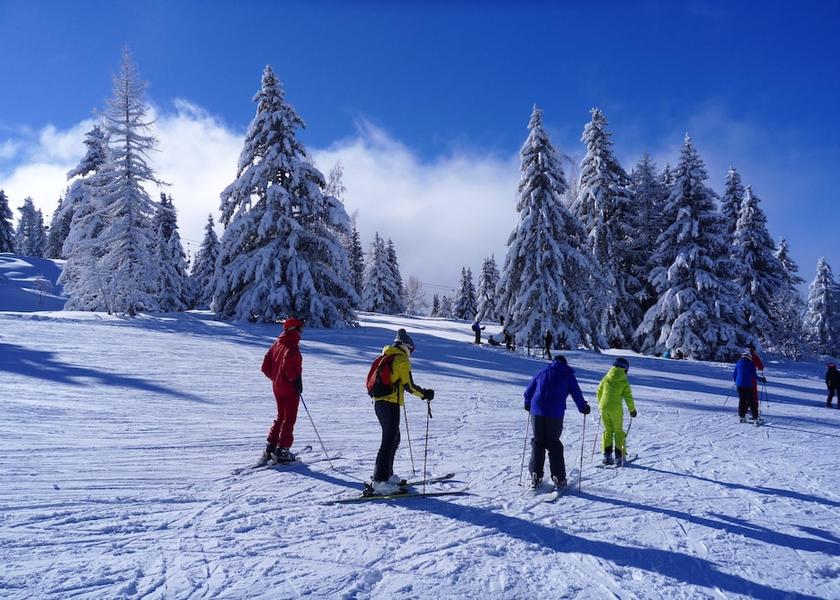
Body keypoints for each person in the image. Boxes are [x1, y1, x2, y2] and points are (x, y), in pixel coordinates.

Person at [369, 328, 435, 495]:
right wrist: (425, 394)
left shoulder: (385, 356)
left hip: (380, 403)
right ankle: (379, 481)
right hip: (390, 404)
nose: (411, 353)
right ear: (407, 347)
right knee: (388, 441)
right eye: (411, 350)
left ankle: (387, 475)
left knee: (394, 439)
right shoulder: (401, 360)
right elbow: (409, 386)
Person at [524, 355, 591, 489]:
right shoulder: (568, 375)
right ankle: (559, 478)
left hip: (537, 411)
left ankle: (535, 474)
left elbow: (528, 391)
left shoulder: (542, 372)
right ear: (565, 363)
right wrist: (583, 407)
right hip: (555, 413)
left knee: (538, 441)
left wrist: (527, 403)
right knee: (553, 443)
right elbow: (576, 393)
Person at [258, 317, 304, 464]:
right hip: (289, 388)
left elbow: (266, 365)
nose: (301, 331)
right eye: (299, 328)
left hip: (278, 387)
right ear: (293, 329)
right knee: (289, 418)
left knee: (281, 416)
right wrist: (294, 380)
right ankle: (283, 449)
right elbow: (288, 365)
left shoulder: (278, 342)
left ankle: (271, 446)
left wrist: (276, 378)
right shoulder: (292, 345)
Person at [597, 357, 637, 466]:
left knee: (608, 431)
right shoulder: (624, 381)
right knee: (618, 431)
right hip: (615, 409)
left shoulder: (606, 377)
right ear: (625, 369)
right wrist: (632, 410)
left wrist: (600, 404)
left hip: (603, 407)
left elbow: (599, 391)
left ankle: (607, 456)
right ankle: (619, 457)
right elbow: (628, 397)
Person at [734, 350, 759, 422]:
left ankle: (742, 417)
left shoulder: (738, 363)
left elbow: (735, 374)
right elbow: (753, 376)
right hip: (748, 385)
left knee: (742, 400)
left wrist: (737, 381)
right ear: (749, 357)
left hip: (739, 385)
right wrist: (761, 379)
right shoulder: (751, 364)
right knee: (751, 401)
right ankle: (755, 418)